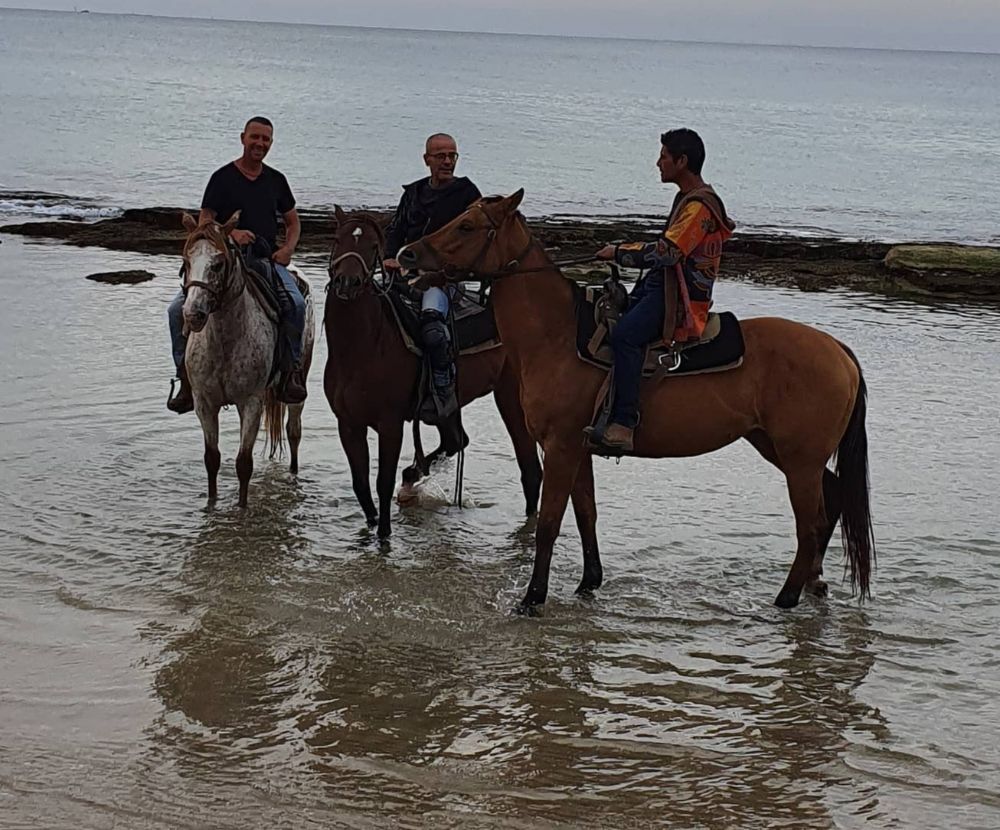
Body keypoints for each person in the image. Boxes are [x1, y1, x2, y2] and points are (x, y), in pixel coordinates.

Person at [588, 128, 735, 453]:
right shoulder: (686, 198)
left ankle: (624, 422)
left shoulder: (699, 208)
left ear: (682, 161)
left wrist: (619, 252)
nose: (658, 163)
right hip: (662, 283)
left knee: (626, 335)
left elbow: (668, 252)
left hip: (679, 295)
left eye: (664, 156)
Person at [166, 116, 307, 413]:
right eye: (255, 137)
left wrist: (288, 249)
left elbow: (293, 221)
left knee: (295, 304)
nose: (260, 144)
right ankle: (185, 379)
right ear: (242, 138)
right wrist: (231, 234)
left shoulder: (276, 180)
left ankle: (289, 373)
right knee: (176, 310)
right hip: (223, 262)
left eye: (266, 139)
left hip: (264, 260)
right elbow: (205, 221)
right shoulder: (222, 178)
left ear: (271, 143)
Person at [382, 133, 482, 417]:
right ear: (427, 160)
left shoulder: (467, 194)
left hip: (441, 280)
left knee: (433, 328)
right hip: (403, 274)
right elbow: (396, 230)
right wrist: (390, 257)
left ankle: (442, 386)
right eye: (441, 156)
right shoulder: (413, 193)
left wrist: (447, 271)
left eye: (452, 156)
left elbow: (477, 240)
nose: (447, 161)